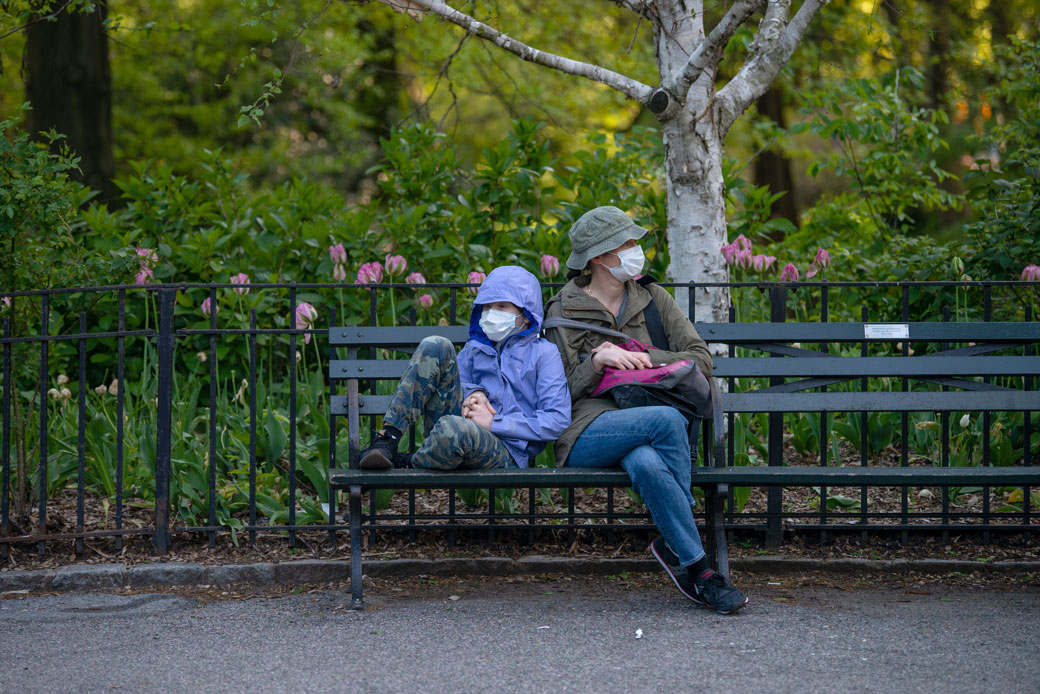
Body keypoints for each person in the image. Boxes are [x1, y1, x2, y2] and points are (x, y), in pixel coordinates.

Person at [543, 205, 748, 615]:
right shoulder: (563, 310)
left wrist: (643, 357)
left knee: (648, 464)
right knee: (666, 420)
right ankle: (686, 535)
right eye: (629, 243)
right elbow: (553, 394)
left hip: (647, 424)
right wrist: (596, 362)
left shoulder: (653, 299)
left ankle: (697, 568)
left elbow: (701, 360)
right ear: (600, 257)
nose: (638, 250)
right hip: (587, 431)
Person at [358, 265, 571, 471]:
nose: (491, 313)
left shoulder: (544, 354)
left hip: (506, 451)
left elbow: (557, 420)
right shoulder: (474, 349)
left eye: (502, 306)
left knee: (454, 428)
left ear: (525, 314)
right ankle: (387, 439)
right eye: (487, 306)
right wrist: (473, 392)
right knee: (436, 345)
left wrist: (494, 423)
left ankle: (409, 463)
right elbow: (456, 385)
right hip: (452, 429)